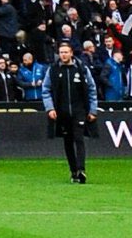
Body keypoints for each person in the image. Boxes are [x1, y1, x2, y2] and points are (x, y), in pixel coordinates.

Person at [42, 41, 98, 184]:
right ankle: (73, 171)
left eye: (66, 52)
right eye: (61, 52)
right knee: (68, 142)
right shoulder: (53, 70)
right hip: (62, 112)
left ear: (71, 53)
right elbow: (46, 89)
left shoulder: (81, 68)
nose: (64, 55)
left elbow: (91, 89)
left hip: (79, 110)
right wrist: (50, 108)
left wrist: (93, 110)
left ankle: (81, 170)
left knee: (79, 139)